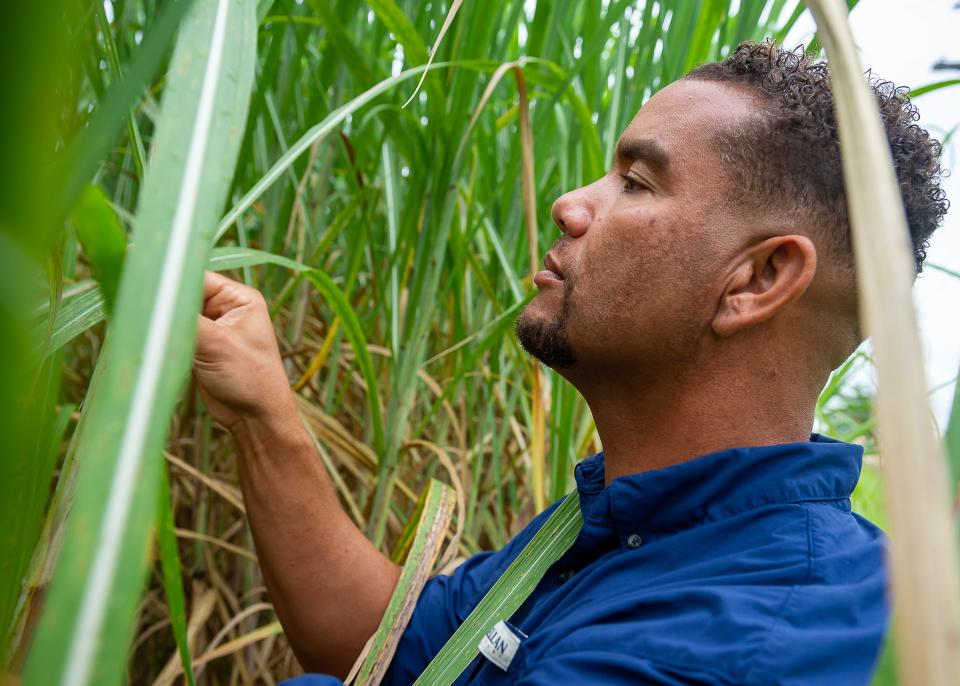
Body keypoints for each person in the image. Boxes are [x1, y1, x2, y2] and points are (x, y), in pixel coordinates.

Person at [192, 41, 948, 685]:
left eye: (637, 182)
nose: (569, 204)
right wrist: (263, 411)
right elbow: (392, 647)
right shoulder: (633, 522)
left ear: (757, 280)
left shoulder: (744, 639)